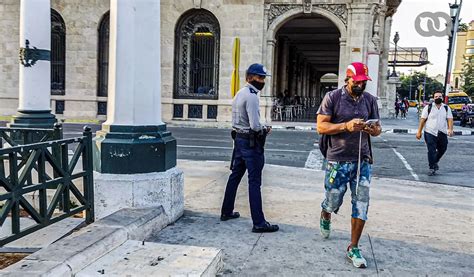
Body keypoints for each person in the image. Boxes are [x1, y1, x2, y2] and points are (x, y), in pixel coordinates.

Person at [316, 62, 381, 268]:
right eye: (357, 81)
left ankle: (353, 246)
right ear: (348, 79)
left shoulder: (370, 100)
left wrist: (372, 129)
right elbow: (321, 126)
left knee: (361, 203)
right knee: (334, 199)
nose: (361, 85)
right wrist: (346, 125)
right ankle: (326, 211)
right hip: (338, 160)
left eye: (364, 82)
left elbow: (378, 128)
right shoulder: (333, 97)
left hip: (363, 161)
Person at [220, 63, 279, 233]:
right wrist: (265, 129)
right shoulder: (252, 96)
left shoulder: (240, 93)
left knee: (235, 175)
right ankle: (259, 222)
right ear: (249, 77)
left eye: (262, 78)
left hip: (239, 139)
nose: (261, 81)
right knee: (254, 182)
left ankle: (226, 211)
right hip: (251, 143)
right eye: (259, 77)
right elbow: (254, 125)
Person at [416, 91, 454, 176]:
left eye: (439, 96)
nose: (438, 98)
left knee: (443, 149)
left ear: (442, 98)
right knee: (431, 150)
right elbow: (423, 120)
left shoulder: (446, 108)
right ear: (433, 98)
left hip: (442, 132)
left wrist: (450, 129)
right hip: (430, 132)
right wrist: (419, 132)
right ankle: (431, 167)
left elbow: (450, 119)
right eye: (436, 96)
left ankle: (435, 161)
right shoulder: (428, 107)